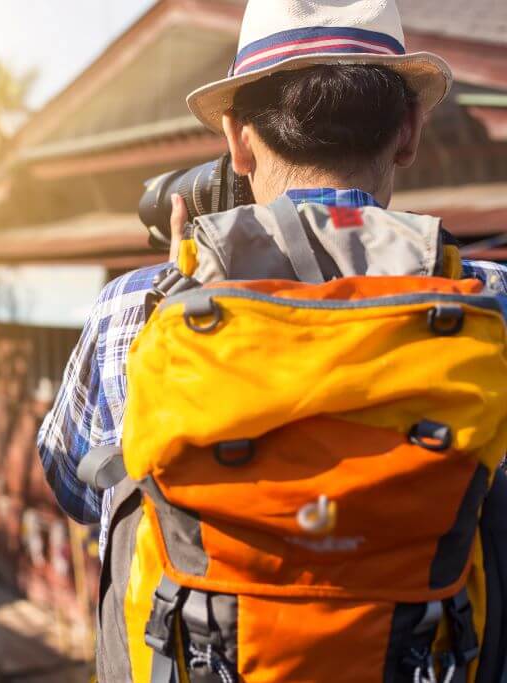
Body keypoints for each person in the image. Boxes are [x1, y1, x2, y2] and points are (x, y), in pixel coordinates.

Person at [37, 0, 507, 556]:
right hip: (426, 640)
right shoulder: (489, 300)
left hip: (206, 636)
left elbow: (76, 486)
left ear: (236, 139)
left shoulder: (133, 306)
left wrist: (179, 297)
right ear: (409, 131)